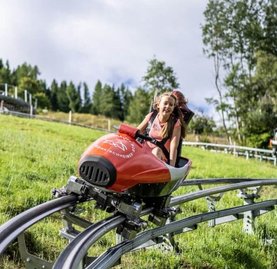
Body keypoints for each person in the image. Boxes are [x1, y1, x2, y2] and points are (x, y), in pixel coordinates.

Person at [137, 91, 186, 167]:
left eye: (171, 105)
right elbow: (136, 131)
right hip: (144, 151)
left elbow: (173, 148)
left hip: (160, 157)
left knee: (157, 151)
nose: (168, 106)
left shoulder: (175, 124)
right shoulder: (151, 116)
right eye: (165, 103)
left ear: (173, 108)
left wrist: (172, 167)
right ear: (158, 105)